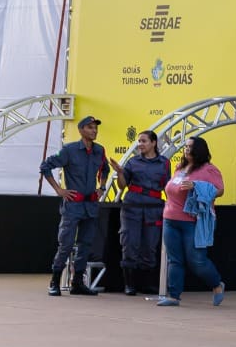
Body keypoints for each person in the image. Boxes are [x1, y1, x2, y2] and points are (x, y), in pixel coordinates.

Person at [40, 115, 111, 296]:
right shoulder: (69, 150)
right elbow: (45, 167)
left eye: (95, 127)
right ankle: (54, 281)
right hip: (73, 205)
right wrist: (59, 189)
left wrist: (102, 187)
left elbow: (105, 169)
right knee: (66, 244)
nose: (94, 130)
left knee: (86, 244)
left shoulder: (99, 150)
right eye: (90, 127)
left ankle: (77, 283)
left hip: (90, 205)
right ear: (80, 130)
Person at [158, 136, 227, 308]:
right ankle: (174, 296)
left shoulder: (209, 169)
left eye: (190, 146)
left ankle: (217, 284)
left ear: (200, 149)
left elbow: (220, 191)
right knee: (174, 259)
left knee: (197, 261)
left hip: (193, 221)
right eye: (186, 146)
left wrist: (196, 185)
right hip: (170, 219)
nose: (186, 149)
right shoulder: (180, 167)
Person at [116, 130, 170, 295]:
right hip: (132, 206)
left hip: (154, 208)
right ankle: (129, 285)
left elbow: (168, 186)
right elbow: (122, 185)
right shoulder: (133, 162)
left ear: (154, 143)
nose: (140, 144)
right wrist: (120, 173)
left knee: (150, 246)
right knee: (130, 244)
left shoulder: (164, 163)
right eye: (139, 141)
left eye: (143, 141)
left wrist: (172, 205)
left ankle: (147, 284)